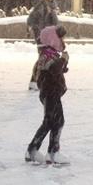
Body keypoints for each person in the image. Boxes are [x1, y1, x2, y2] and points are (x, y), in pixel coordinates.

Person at [26, 26, 69, 166]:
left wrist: (63, 63)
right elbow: (52, 68)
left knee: (53, 122)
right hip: (51, 93)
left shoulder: (50, 54)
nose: (63, 41)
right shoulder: (46, 55)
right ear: (52, 39)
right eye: (60, 38)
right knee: (53, 121)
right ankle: (44, 151)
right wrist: (62, 60)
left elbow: (55, 69)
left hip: (52, 92)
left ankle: (48, 152)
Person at [26, 0, 59, 91]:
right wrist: (38, 31)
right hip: (42, 37)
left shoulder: (51, 6)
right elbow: (31, 20)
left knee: (48, 59)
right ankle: (34, 81)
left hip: (50, 37)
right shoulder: (41, 6)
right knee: (42, 59)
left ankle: (41, 81)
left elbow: (54, 22)